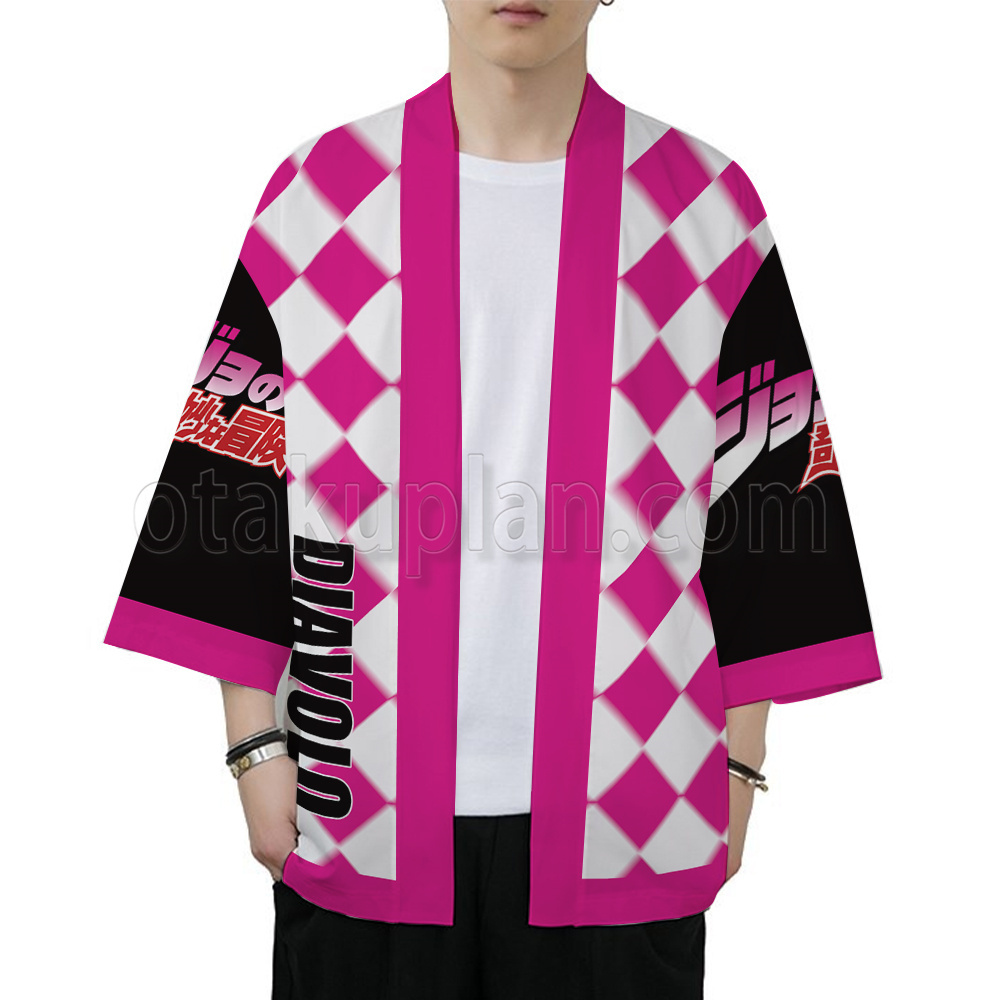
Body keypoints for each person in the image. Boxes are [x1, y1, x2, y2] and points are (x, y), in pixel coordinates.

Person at [103, 2, 883, 997]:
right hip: (357, 800)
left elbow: (767, 496)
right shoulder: (321, 192)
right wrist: (254, 749)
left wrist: (739, 764)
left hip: (631, 811)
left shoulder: (703, 206)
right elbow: (233, 480)